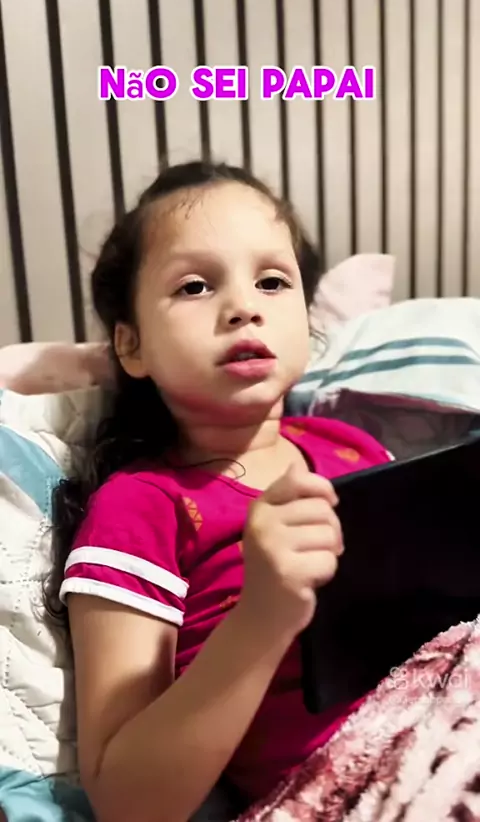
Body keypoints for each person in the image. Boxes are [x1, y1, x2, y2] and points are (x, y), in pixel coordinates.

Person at [46, 161, 391, 822]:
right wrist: (262, 617)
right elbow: (125, 801)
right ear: (131, 345)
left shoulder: (352, 447)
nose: (244, 307)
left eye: (272, 281)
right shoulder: (140, 506)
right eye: (196, 286)